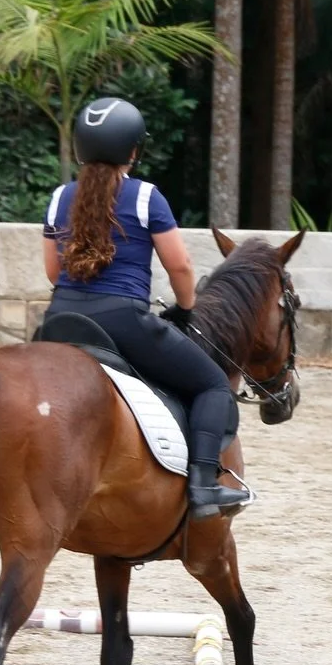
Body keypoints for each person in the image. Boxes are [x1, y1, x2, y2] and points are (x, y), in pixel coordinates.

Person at [41, 96, 250, 519]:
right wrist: (187, 308)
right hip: (122, 321)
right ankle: (203, 486)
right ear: (134, 150)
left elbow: (51, 271)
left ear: (81, 146)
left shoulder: (61, 196)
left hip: (59, 319)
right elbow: (180, 265)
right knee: (211, 384)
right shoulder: (145, 197)